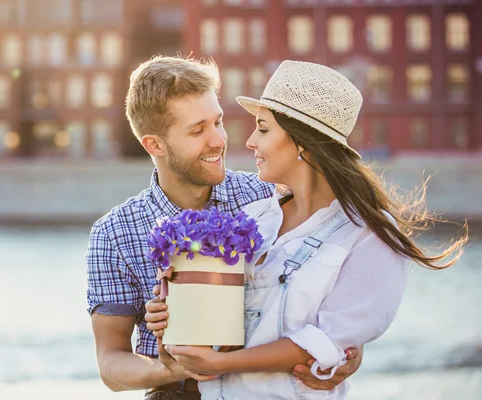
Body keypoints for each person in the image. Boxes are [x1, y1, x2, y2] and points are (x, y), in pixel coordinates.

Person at [144, 60, 468, 399]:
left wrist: (223, 364)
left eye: (264, 129)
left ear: (302, 142)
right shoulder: (253, 219)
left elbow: (328, 341)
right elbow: (215, 331)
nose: (251, 141)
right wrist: (173, 315)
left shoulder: (369, 234)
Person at [86, 56, 364, 400]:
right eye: (197, 130)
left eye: (218, 122)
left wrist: (344, 351)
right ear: (154, 145)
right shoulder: (113, 233)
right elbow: (111, 362)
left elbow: (322, 297)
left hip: (267, 389)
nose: (219, 140)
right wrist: (171, 368)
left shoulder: (266, 196)